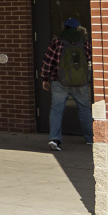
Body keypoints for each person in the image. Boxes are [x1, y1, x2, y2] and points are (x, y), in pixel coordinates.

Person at [41, 17, 94, 150]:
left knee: (56, 110)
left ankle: (54, 139)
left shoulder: (57, 43)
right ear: (77, 28)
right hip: (80, 83)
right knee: (84, 110)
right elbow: (90, 60)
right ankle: (91, 138)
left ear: (64, 28)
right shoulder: (85, 44)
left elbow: (48, 62)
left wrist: (44, 79)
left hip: (59, 82)